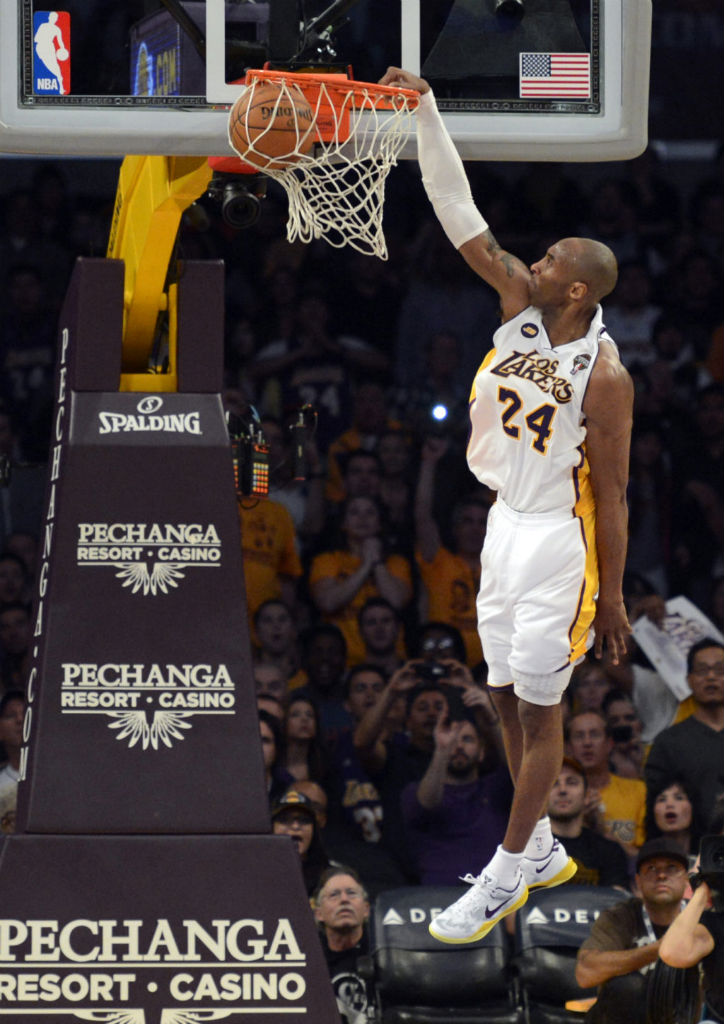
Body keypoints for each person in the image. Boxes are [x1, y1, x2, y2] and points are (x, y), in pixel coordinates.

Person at [379, 66, 633, 943]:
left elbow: (615, 491)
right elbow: (459, 212)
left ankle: (503, 870)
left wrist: (617, 597)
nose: (537, 257)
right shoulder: (519, 303)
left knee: (542, 709)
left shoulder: (604, 376)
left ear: (579, 291)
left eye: (554, 257)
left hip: (560, 543)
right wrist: (425, 112)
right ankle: (536, 855)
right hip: (499, 525)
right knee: (499, 696)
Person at [574, 838, 691, 1024]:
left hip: (686, 1013)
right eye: (651, 869)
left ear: (687, 880)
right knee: (626, 986)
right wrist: (656, 950)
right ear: (637, 881)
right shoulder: (620, 916)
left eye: (672, 868)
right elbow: (585, 973)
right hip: (632, 1015)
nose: (661, 875)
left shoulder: (701, 918)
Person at [401, 710, 513, 885]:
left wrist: (492, 719)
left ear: (482, 751)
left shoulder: (496, 788)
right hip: (437, 899)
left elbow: (520, 770)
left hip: (493, 894)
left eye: (467, 739)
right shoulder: (415, 791)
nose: (458, 746)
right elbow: (427, 804)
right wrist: (442, 750)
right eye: (453, 740)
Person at [308, 495, 413, 667]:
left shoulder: (396, 563)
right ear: (343, 523)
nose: (362, 518)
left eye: (370, 513)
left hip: (390, 663)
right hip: (343, 663)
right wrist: (365, 566)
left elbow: (396, 601)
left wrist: (377, 562)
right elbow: (327, 602)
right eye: (354, 512)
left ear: (380, 523)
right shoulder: (327, 561)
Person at [645, 639, 724, 828]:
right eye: (702, 670)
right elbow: (655, 806)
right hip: (693, 851)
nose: (711, 677)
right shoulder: (668, 743)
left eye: (720, 670)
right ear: (689, 679)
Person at [565, 710, 646, 860]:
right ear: (569, 747)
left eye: (594, 734)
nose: (587, 743)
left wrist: (601, 832)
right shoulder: (557, 795)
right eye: (579, 736)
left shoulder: (638, 791)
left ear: (609, 744)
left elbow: (643, 859)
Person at [547, 757, 629, 890]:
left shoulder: (610, 852)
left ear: (587, 795)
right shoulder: (525, 852)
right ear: (542, 796)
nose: (562, 790)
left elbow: (618, 904)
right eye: (554, 783)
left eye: (571, 782)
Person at [313, 866, 379, 1024]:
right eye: (334, 895)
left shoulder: (383, 954)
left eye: (351, 893)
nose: (344, 899)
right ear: (319, 913)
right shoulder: (308, 959)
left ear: (366, 910)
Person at [271, 789, 331, 896]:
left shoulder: (330, 878)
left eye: (304, 820)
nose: (295, 826)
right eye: (285, 820)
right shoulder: (256, 875)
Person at [356, 597, 405, 677]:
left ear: (398, 628)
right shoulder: (351, 679)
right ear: (361, 631)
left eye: (386, 621)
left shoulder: (414, 675)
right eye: (371, 622)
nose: (379, 629)